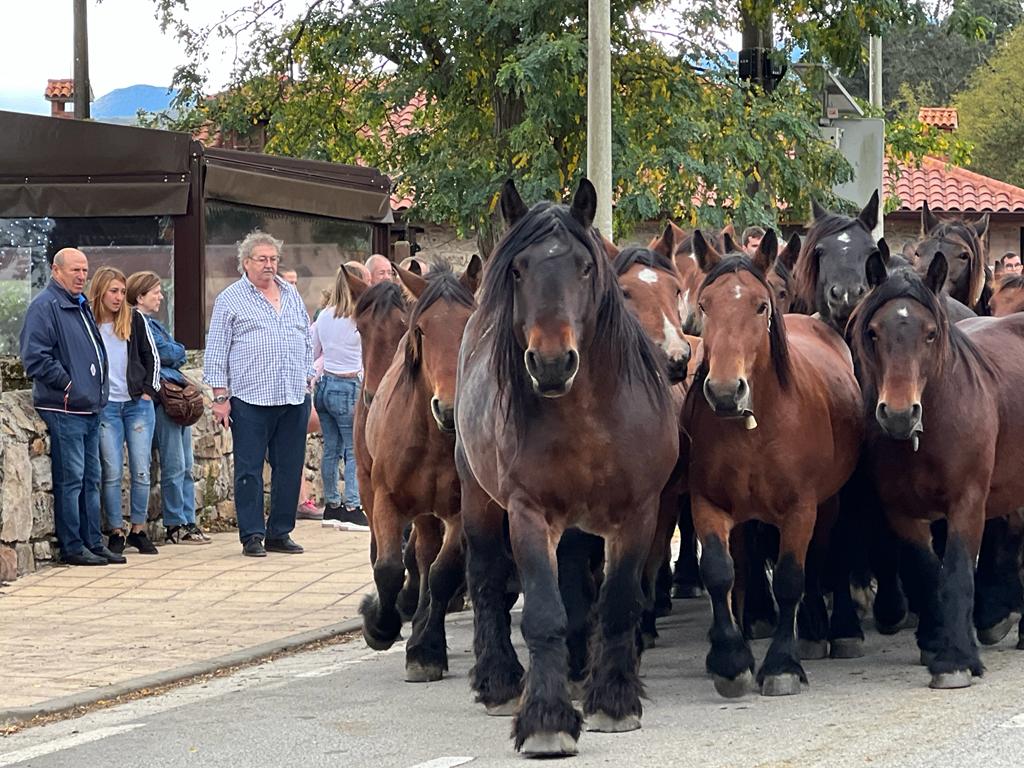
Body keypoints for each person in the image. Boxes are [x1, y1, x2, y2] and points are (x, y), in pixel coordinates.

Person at [204, 231, 313, 557]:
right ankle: (252, 535)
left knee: (290, 468)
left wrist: (308, 379)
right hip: (251, 398)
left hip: (293, 395)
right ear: (246, 263)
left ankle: (280, 532)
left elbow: (306, 338)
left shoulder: (291, 294)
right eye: (262, 259)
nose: (269, 265)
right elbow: (217, 350)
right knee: (249, 470)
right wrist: (220, 398)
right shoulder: (230, 299)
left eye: (273, 259)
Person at [19, 248, 124, 565]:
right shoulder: (45, 307)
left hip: (89, 409)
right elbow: (34, 357)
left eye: (84, 270)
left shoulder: (79, 305)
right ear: (56, 270)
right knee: (71, 481)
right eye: (75, 270)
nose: (82, 276)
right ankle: (73, 547)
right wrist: (70, 385)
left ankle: (92, 542)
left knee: (91, 480)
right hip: (64, 409)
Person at [126, 271, 211, 545]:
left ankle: (188, 520)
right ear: (140, 296)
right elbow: (167, 353)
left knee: (186, 464)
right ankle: (176, 523)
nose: (161, 296)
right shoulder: (140, 324)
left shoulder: (156, 324)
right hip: (165, 403)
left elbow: (176, 351)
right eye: (155, 292)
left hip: (176, 401)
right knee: (174, 465)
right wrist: (174, 351)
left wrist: (175, 351)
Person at [88, 267, 162, 555]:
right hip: (106, 408)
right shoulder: (90, 322)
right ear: (101, 292)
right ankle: (116, 530)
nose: (119, 297)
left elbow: (151, 358)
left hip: (136, 405)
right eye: (113, 291)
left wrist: (147, 392)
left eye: (122, 291)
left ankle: (139, 529)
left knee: (142, 469)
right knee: (112, 470)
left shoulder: (135, 320)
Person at [312, 267, 369, 531]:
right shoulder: (359, 318)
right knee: (353, 449)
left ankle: (331, 506)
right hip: (348, 384)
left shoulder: (324, 315)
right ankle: (352, 507)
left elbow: (313, 351)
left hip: (324, 386)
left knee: (331, 450)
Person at [278, 264, 323, 520]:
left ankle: (299, 500)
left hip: (298, 389)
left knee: (296, 447)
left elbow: (307, 348)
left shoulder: (298, 311)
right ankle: (295, 501)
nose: (294, 288)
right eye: (289, 282)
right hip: (270, 395)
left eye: (296, 282)